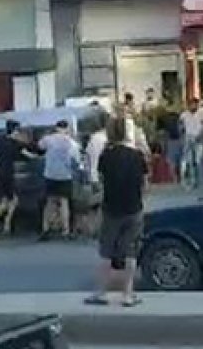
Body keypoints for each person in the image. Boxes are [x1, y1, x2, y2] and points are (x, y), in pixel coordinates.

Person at [84, 117, 148, 308]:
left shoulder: (106, 156)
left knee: (107, 252)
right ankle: (128, 294)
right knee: (130, 252)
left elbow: (101, 181)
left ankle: (102, 292)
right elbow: (145, 183)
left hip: (111, 208)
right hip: (134, 208)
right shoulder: (137, 155)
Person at [38, 120, 80, 241]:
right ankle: (65, 230)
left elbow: (40, 146)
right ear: (67, 128)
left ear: (56, 128)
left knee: (49, 202)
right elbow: (76, 159)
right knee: (64, 202)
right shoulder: (71, 142)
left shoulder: (48, 139)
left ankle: (45, 228)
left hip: (50, 174)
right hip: (65, 175)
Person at [0, 121, 34, 236]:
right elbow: (28, 155)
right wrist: (39, 157)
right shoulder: (15, 144)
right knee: (13, 200)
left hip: (0, 172)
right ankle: (3, 224)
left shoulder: (0, 140)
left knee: (5, 200)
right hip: (8, 173)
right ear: (15, 130)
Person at [179, 98, 203, 188]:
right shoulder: (184, 115)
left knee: (198, 160)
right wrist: (182, 135)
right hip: (188, 137)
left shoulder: (201, 114)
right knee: (189, 160)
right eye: (191, 104)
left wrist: (202, 135)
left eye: (195, 104)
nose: (193, 106)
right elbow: (181, 126)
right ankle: (192, 179)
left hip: (199, 137)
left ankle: (198, 179)